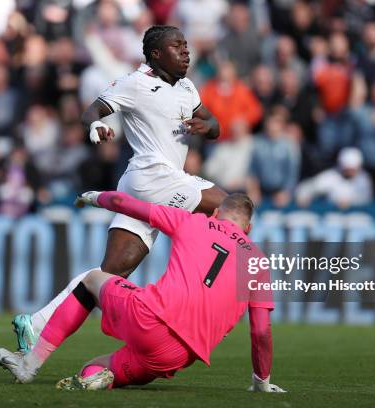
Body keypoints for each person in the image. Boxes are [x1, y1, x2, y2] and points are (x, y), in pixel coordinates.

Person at [11, 25, 226, 352]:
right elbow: (91, 111)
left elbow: (215, 127)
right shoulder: (135, 83)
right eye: (177, 46)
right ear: (156, 54)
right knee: (229, 207)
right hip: (153, 175)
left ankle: (36, 324)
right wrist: (96, 124)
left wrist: (205, 126)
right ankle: (211, 302)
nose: (186, 51)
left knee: (110, 275)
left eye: (186, 46)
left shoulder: (187, 87)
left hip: (144, 187)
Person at [0, 190, 283, 393]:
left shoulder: (194, 221)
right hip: (179, 355)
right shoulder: (257, 261)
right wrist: (261, 382)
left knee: (92, 279)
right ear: (249, 229)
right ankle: (96, 378)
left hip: (151, 318)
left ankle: (29, 363)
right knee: (95, 367)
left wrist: (93, 197)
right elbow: (260, 332)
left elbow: (125, 202)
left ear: (217, 213)